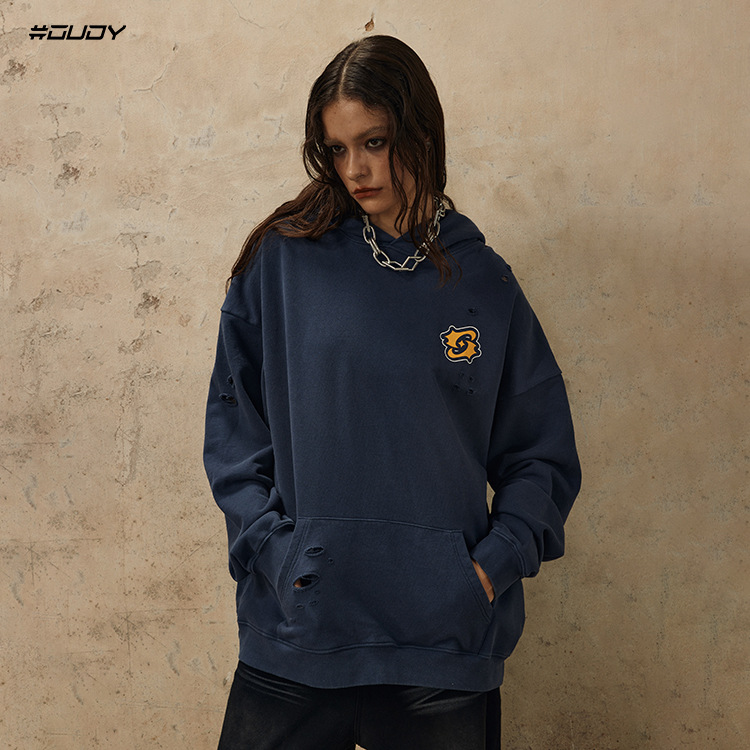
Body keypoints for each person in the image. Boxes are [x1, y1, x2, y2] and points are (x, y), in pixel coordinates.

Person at [203, 34, 581, 750]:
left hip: (441, 646)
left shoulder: (483, 282)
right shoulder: (283, 264)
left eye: (374, 142)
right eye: (338, 149)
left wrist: (486, 570)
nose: (356, 169)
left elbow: (542, 454)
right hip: (299, 631)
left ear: (421, 132)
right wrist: (275, 555)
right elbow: (234, 432)